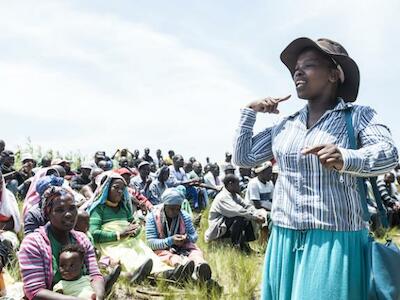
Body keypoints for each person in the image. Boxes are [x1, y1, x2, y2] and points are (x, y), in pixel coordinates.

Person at [233, 37, 398, 299]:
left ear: (334, 74)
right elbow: (244, 157)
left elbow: (389, 154)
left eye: (308, 65)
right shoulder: (286, 125)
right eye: (296, 67)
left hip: (334, 240)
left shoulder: (358, 116)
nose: (298, 71)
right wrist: (249, 111)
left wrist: (346, 157)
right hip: (284, 237)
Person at [19, 186, 105, 300]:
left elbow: (95, 275)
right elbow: (35, 292)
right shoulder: (33, 243)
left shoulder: (82, 239)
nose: (68, 214)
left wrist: (98, 296)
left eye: (72, 208)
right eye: (60, 210)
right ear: (48, 214)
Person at [87, 172, 173, 284]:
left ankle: (164, 274)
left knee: (146, 253)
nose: (119, 191)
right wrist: (119, 235)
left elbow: (134, 224)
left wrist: (134, 230)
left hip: (130, 241)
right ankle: (148, 276)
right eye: (116, 187)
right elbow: (94, 234)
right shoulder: (99, 209)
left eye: (122, 189)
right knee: (128, 256)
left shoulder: (124, 208)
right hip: (110, 244)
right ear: (107, 188)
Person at [146, 188, 212, 282]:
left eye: (178, 209)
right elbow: (151, 242)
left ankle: (200, 268)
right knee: (168, 256)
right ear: (165, 205)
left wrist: (187, 238)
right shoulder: (152, 217)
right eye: (172, 209)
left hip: (184, 247)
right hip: (163, 248)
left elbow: (194, 237)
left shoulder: (184, 216)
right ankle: (182, 267)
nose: (175, 212)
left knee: (195, 252)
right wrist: (171, 240)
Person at [204, 175, 264, 253]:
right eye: (237, 184)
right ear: (230, 184)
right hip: (218, 228)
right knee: (241, 217)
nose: (239, 186)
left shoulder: (234, 195)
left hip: (226, 224)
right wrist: (256, 218)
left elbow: (247, 206)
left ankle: (245, 244)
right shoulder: (223, 197)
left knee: (247, 216)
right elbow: (239, 211)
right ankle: (235, 245)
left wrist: (256, 213)